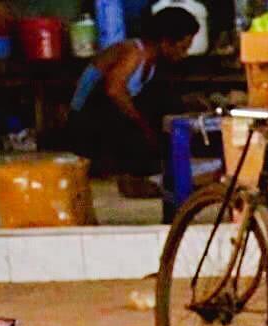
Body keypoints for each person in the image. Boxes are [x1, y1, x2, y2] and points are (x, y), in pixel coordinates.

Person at [67, 7, 199, 196]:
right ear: (165, 42)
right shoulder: (134, 53)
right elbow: (113, 91)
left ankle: (138, 177)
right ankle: (128, 180)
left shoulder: (151, 62)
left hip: (99, 115)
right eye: (182, 47)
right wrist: (141, 124)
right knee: (138, 125)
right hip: (83, 121)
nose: (184, 54)